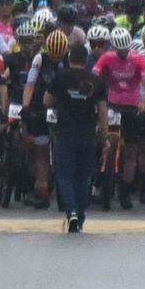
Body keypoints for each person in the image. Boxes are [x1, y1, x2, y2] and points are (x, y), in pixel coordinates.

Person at [45, 43, 107, 233]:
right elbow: (103, 112)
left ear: (70, 58)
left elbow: (47, 100)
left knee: (65, 175)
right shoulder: (97, 81)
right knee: (83, 176)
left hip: (65, 132)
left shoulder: (61, 77)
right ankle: (80, 216)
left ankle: (70, 211)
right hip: (87, 133)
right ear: (87, 59)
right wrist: (104, 137)